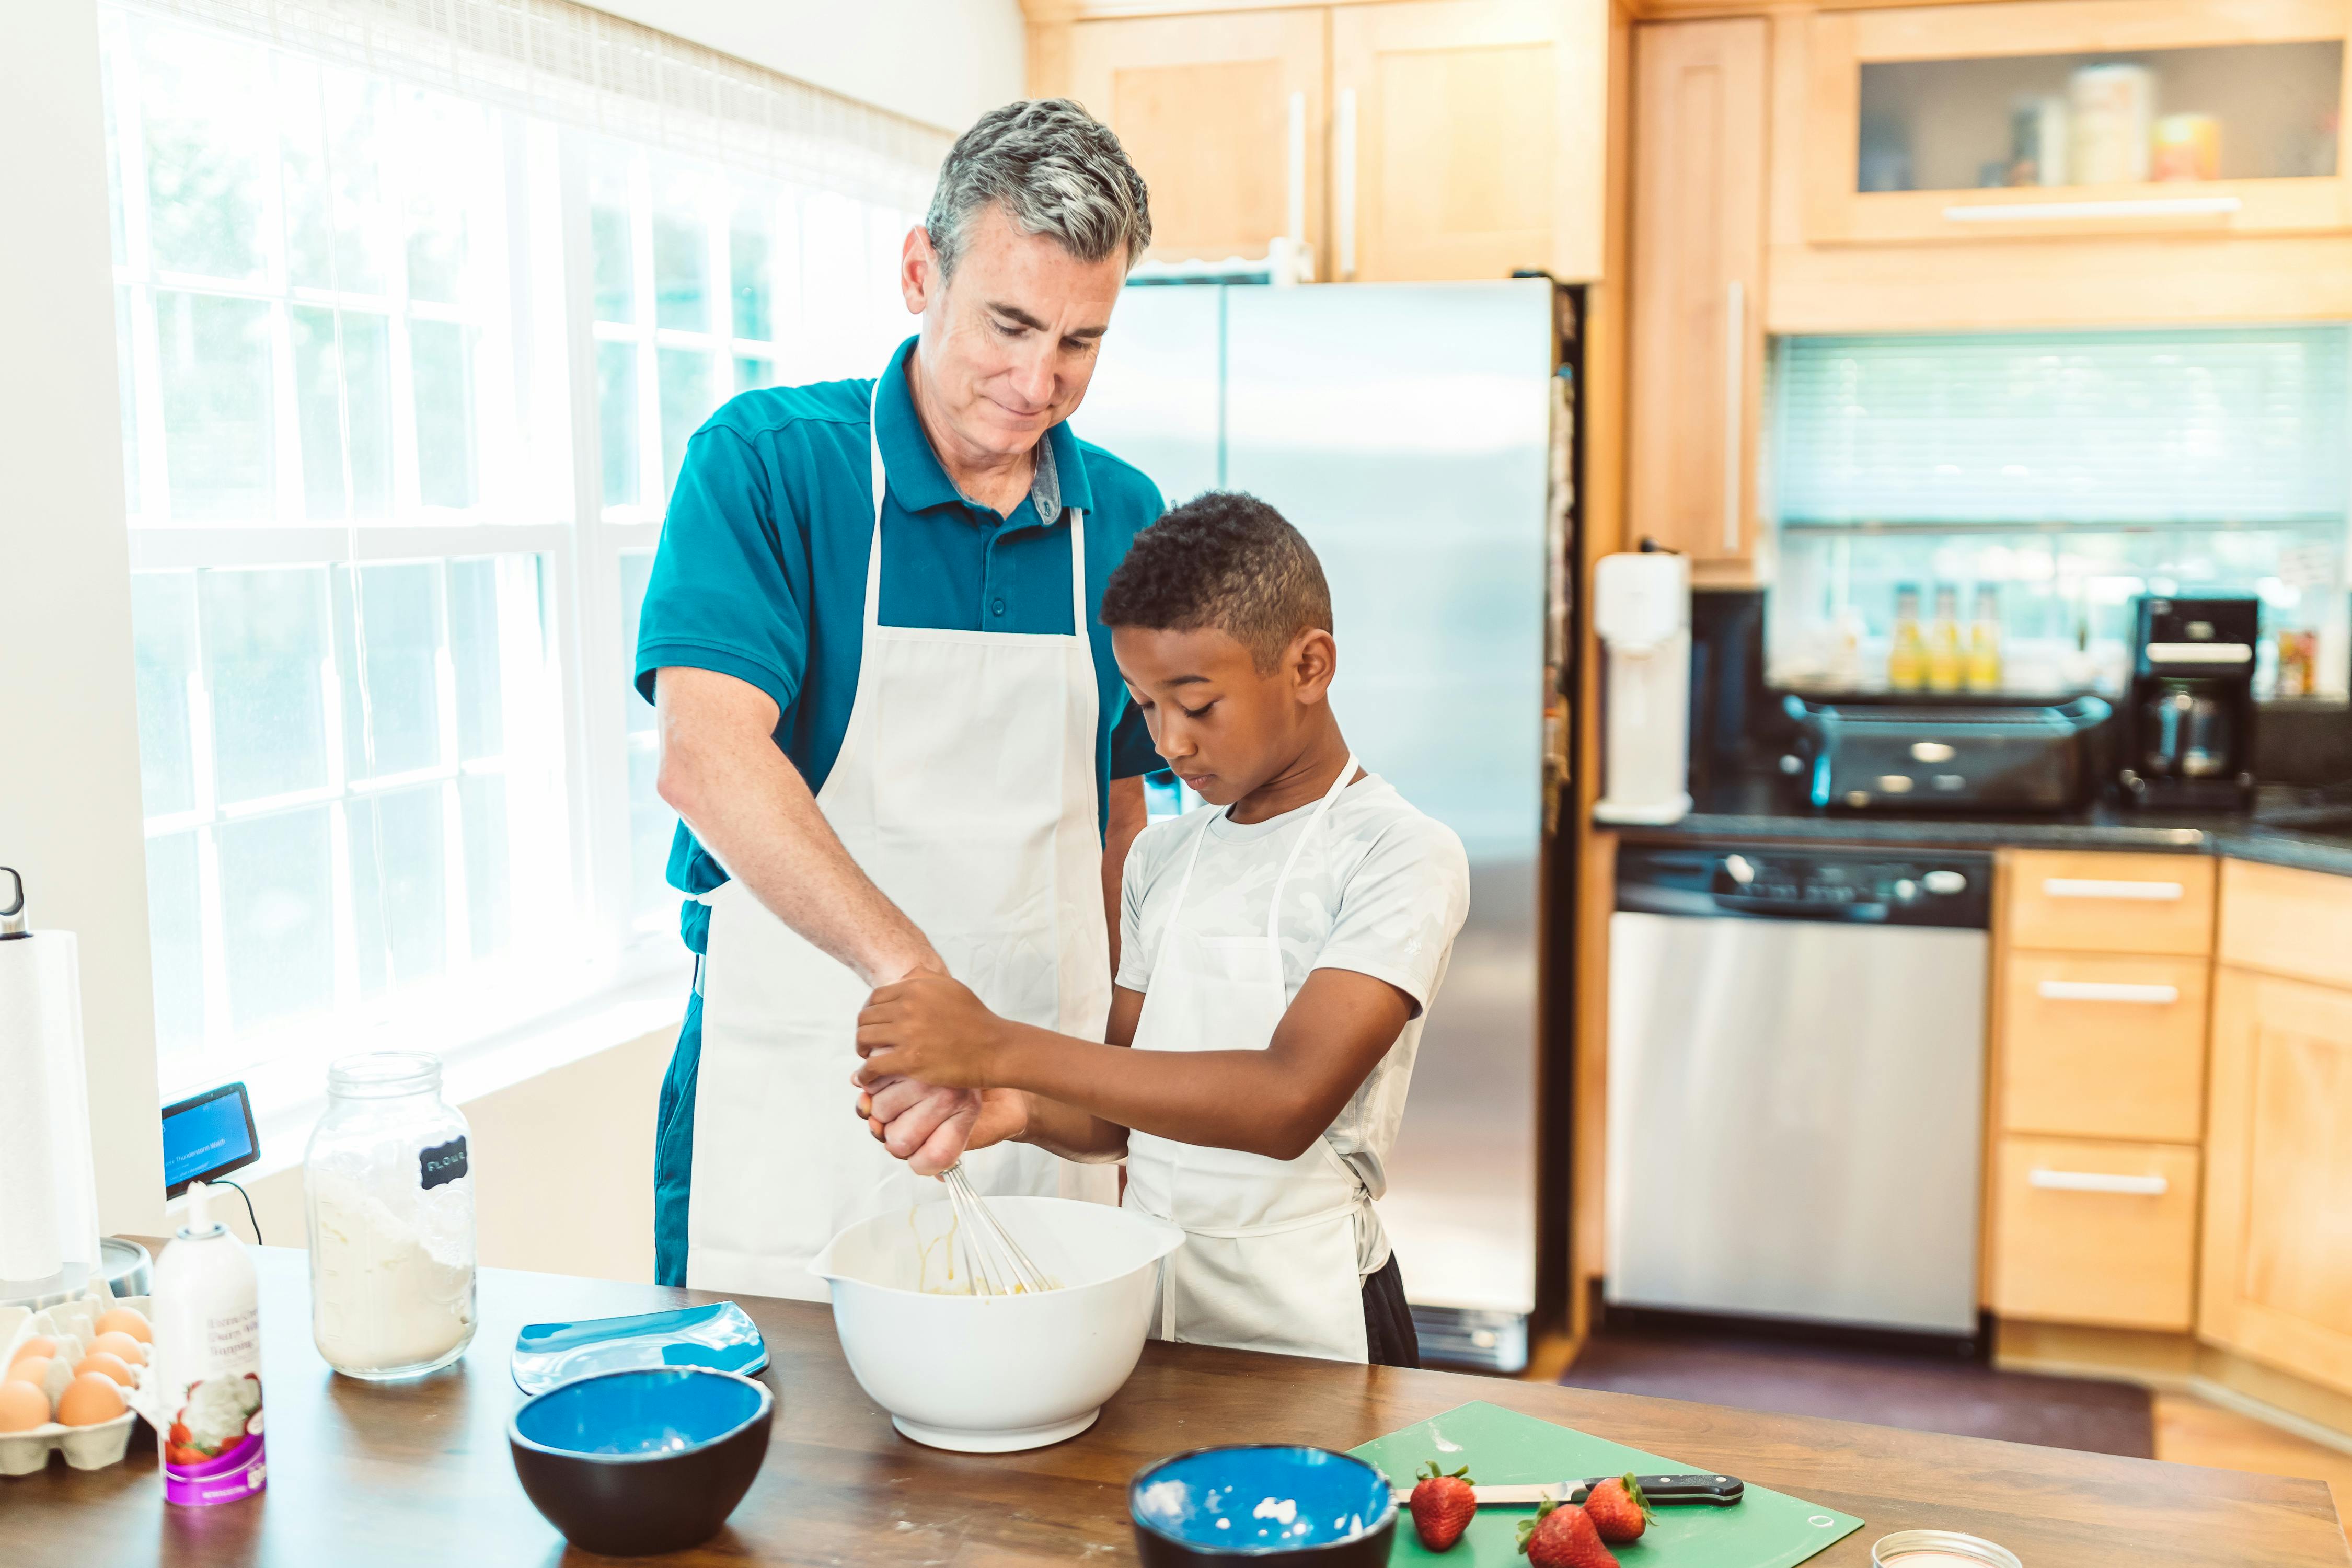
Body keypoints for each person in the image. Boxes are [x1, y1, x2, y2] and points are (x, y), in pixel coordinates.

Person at [633, 100, 1167, 1297]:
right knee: (793, 1463)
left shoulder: (1124, 517)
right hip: (808, 1110)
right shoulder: (772, 465)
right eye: (1011, 324)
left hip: (1038, 1118)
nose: (1039, 383)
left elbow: (1120, 818)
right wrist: (916, 983)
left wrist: (1118, 1093)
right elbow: (708, 759)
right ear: (922, 271)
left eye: (1080, 341)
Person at [853, 492, 1472, 1366]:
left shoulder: (1398, 854)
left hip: (1313, 1314)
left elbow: (1286, 1103)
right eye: (1145, 707)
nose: (1171, 743)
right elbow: (1123, 1114)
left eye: (1198, 703)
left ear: (1309, 665)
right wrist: (1018, 1107)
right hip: (1150, 1308)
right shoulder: (1161, 860)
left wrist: (997, 1046)